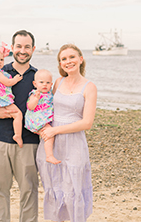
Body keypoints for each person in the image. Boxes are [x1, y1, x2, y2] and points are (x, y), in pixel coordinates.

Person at [0, 30, 39, 222]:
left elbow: (46, 108)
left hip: (28, 142)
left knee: (29, 191)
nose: (22, 50)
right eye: (18, 46)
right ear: (11, 49)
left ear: (33, 49)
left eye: (27, 46)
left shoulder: (38, 77)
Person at [36, 44, 97, 222]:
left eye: (71, 57)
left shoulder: (89, 87)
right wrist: (40, 125)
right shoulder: (57, 82)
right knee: (54, 187)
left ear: (80, 59)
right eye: (63, 59)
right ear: (60, 63)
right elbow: (45, 107)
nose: (68, 61)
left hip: (74, 142)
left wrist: (56, 129)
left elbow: (87, 123)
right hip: (52, 142)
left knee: (73, 188)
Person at [25, 69, 60, 165]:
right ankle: (49, 156)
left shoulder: (50, 94)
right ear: (35, 84)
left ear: (51, 84)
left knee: (48, 134)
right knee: (49, 135)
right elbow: (30, 107)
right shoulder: (35, 94)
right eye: (41, 82)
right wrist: (36, 99)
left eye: (48, 83)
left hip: (43, 120)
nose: (45, 85)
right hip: (36, 120)